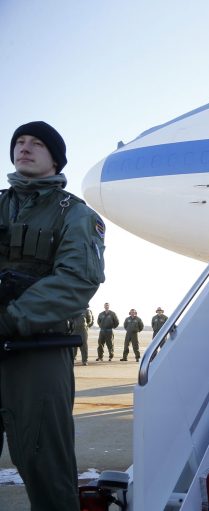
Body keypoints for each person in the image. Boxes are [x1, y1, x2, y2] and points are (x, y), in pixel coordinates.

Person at [0, 121, 106, 510]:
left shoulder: (75, 214)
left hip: (38, 350)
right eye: (19, 142)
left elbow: (78, 280)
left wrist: (11, 318)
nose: (25, 148)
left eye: (37, 144)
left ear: (55, 158)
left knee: (44, 462)